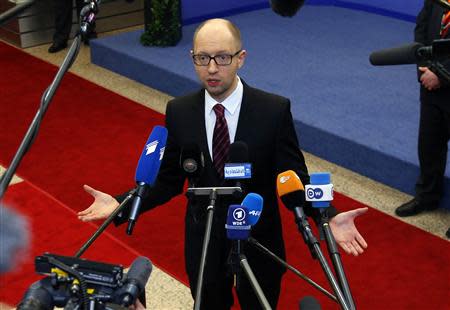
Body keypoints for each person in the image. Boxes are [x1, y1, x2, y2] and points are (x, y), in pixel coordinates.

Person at [78, 18, 368, 309]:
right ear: (192, 58)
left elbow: (292, 177)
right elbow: (168, 179)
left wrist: (327, 216)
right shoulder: (180, 111)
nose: (212, 68)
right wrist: (120, 204)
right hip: (204, 243)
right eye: (202, 58)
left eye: (222, 57)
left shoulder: (273, 111)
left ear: (241, 58)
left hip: (259, 241)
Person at [394, 0, 450, 239]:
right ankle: (427, 197)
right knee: (429, 145)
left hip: (445, 80)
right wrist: (425, 67)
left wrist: (442, 74)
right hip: (431, 87)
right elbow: (422, 27)